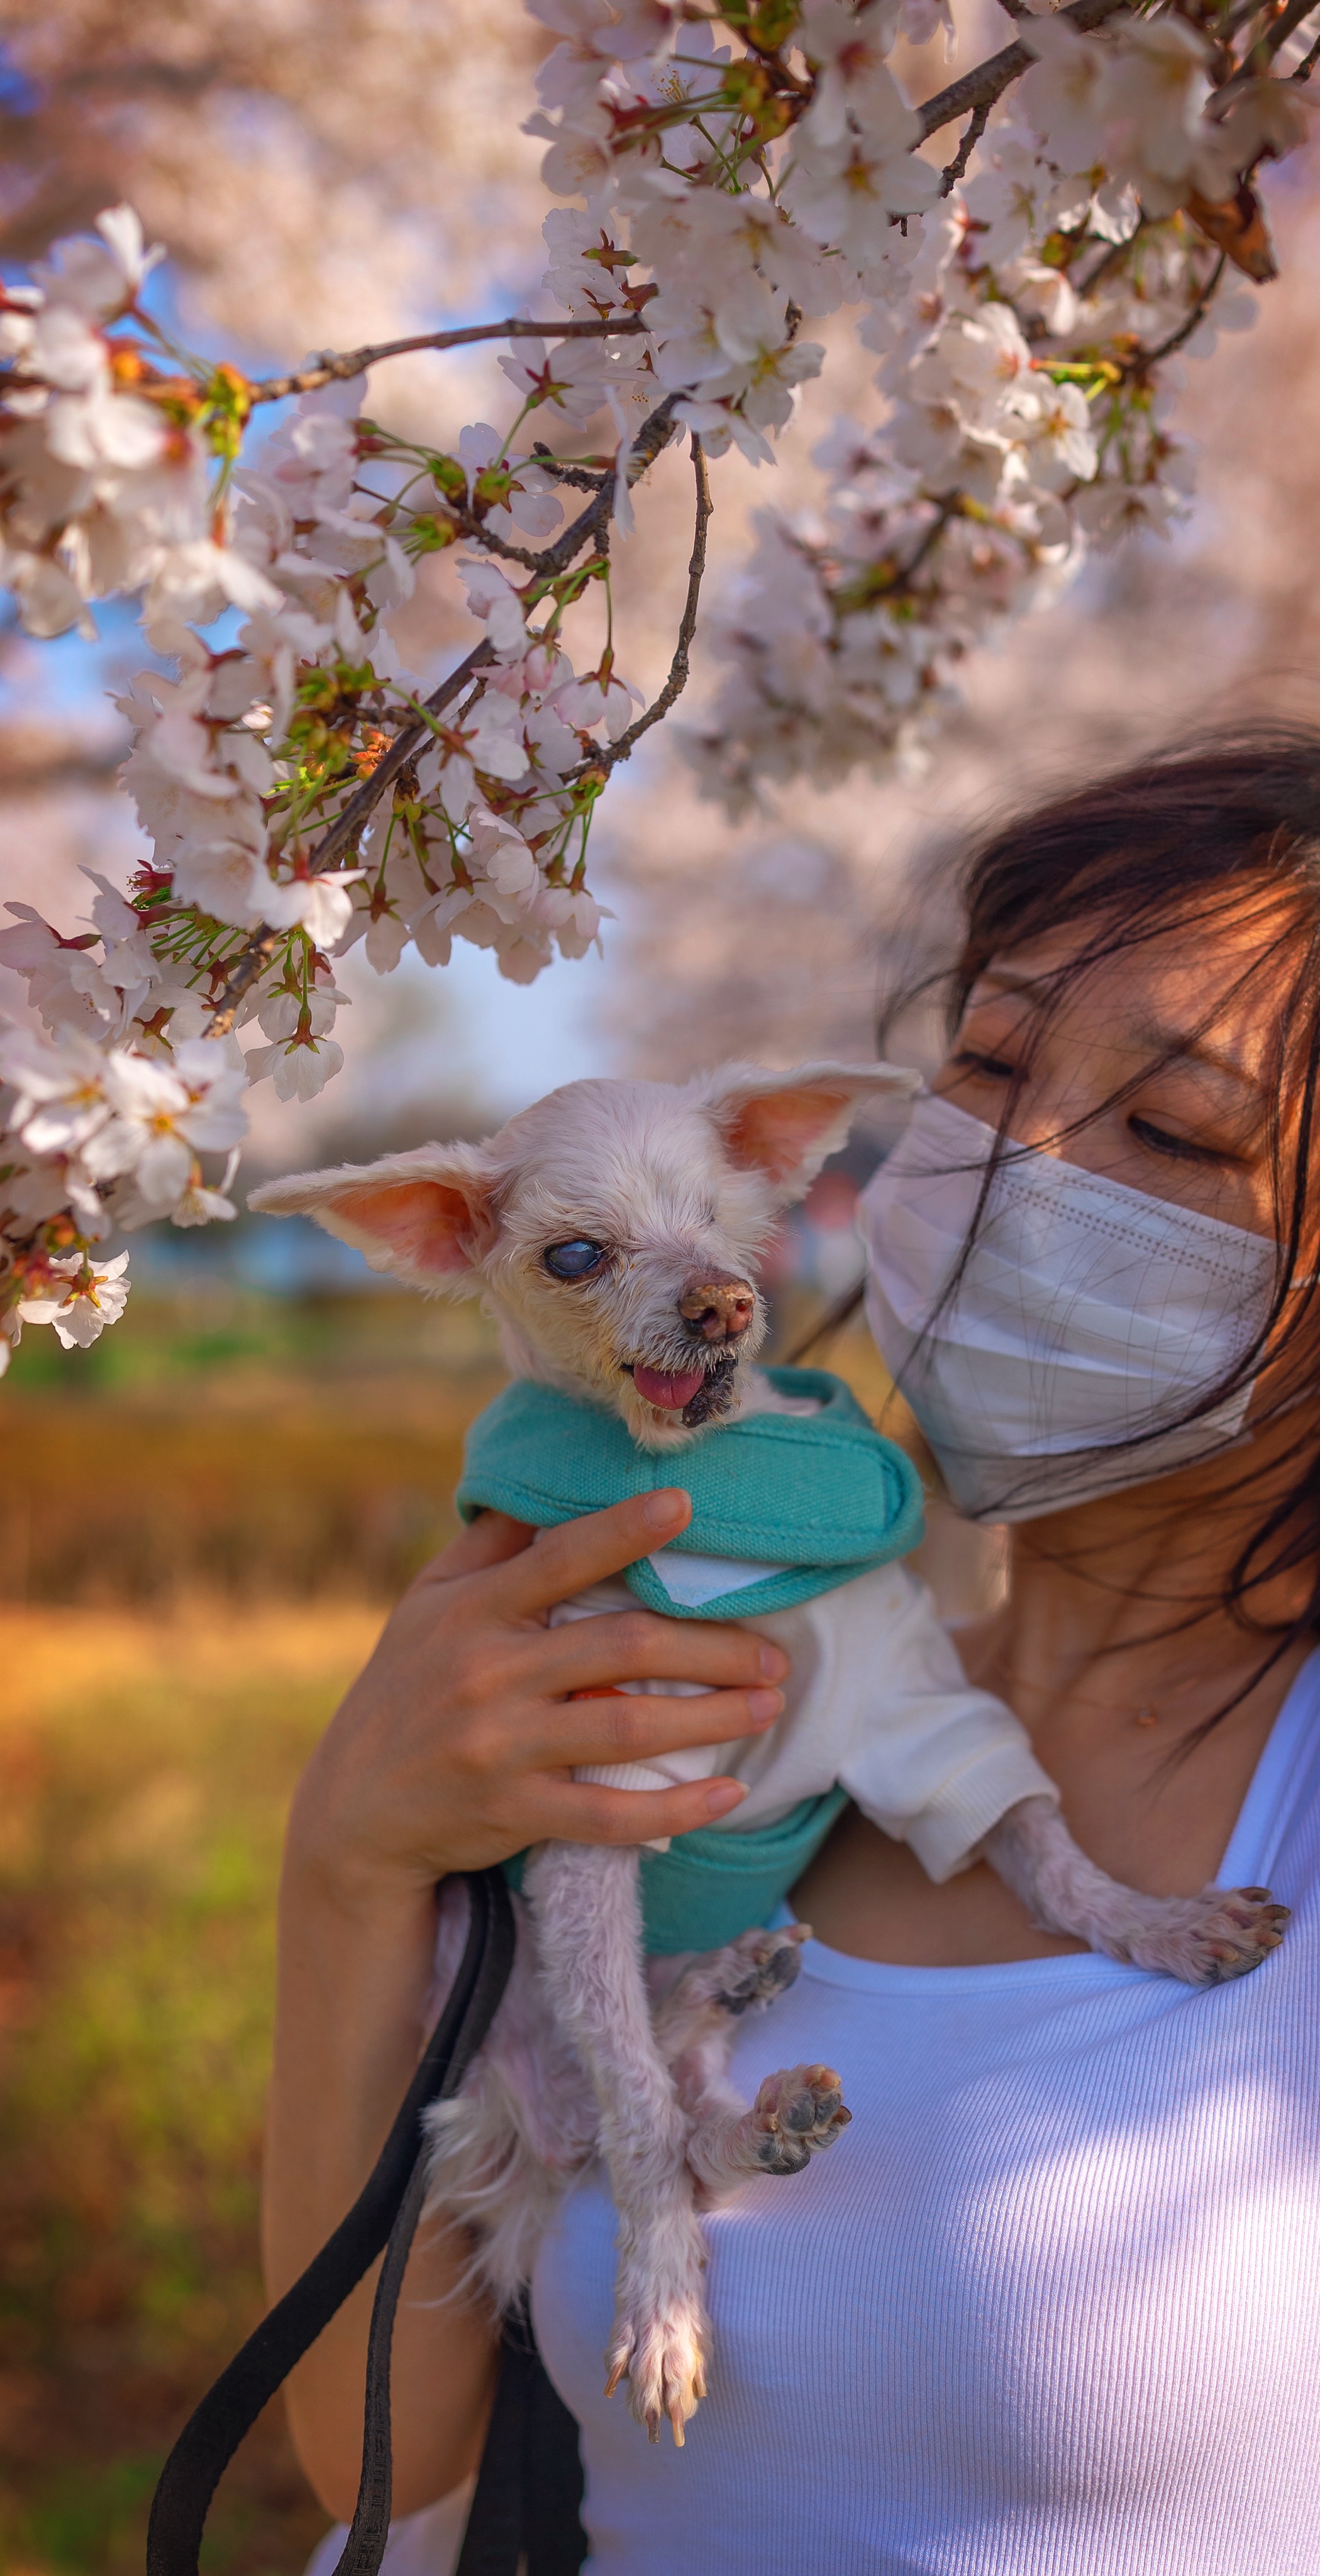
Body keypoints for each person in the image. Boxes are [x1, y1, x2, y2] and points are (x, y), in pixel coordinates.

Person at [268, 730, 1320, 2573]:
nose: (1013, 1171)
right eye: (989, 1066)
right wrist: (351, 1865)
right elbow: (381, 2455)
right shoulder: (683, 1694)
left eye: (1170, 1131)